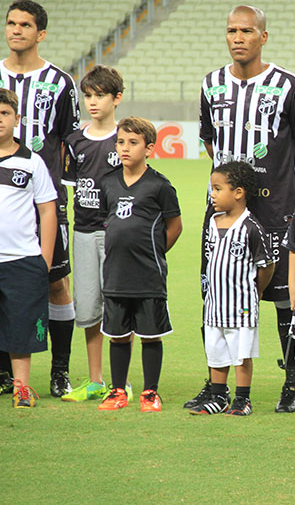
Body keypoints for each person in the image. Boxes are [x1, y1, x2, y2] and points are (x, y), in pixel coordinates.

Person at [190, 4, 295, 414]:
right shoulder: (212, 84)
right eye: (231, 30)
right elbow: (210, 140)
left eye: (246, 30)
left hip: (277, 208)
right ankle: (217, 388)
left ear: (263, 37)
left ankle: (291, 384)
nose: (238, 37)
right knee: (218, 295)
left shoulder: (288, 86)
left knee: (284, 297)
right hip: (224, 212)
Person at [1, 0, 80, 397]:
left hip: (44, 198)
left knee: (55, 283)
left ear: (40, 33)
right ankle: (5, 375)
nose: (16, 30)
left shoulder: (60, 83)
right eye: (11, 23)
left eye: (25, 25)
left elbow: (71, 143)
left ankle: (60, 370)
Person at [96, 117, 182, 412]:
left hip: (148, 275)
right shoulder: (107, 182)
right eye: (121, 142)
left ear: (149, 148)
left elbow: (175, 225)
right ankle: (118, 391)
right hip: (116, 274)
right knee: (118, 336)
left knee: (149, 334)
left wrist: (155, 252)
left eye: (133, 143)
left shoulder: (159, 185)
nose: (125, 148)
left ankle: (150, 393)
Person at [190, 161, 274, 417]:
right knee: (216, 351)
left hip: (241, 306)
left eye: (217, 188)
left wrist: (256, 291)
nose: (212, 194)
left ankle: (242, 399)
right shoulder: (213, 223)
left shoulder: (251, 227)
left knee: (241, 354)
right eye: (211, 189)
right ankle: (217, 396)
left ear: (238, 192)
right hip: (215, 305)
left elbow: (266, 265)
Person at [60, 65, 123, 402]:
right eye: (88, 95)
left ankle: (120, 380)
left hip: (116, 234)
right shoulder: (74, 141)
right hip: (83, 233)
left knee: (117, 305)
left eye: (100, 95)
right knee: (88, 309)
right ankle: (96, 380)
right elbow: (71, 190)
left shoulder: (125, 138)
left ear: (117, 98)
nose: (92, 102)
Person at [0, 88, 56, 408]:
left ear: (17, 119)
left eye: (5, 113)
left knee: (21, 324)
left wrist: (44, 261)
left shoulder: (31, 162)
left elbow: (47, 209)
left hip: (21, 258)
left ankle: (22, 387)